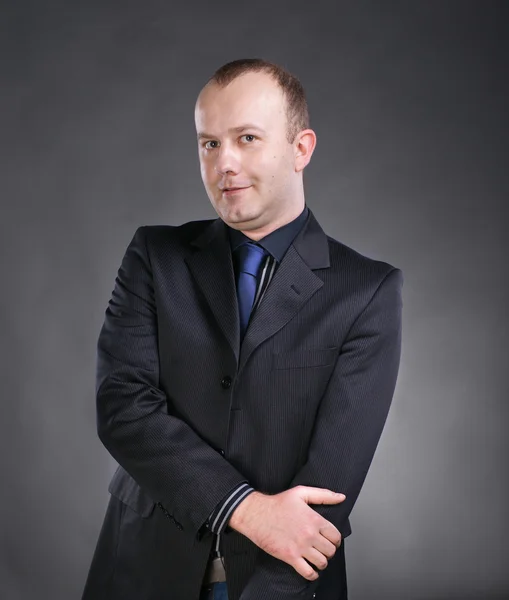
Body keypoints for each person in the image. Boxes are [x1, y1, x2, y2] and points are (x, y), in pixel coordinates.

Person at [81, 58, 403, 600]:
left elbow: (326, 491)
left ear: (302, 148)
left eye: (247, 138)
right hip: (140, 569)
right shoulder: (154, 256)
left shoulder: (367, 291)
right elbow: (121, 408)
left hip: (277, 581)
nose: (223, 163)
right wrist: (245, 508)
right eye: (208, 144)